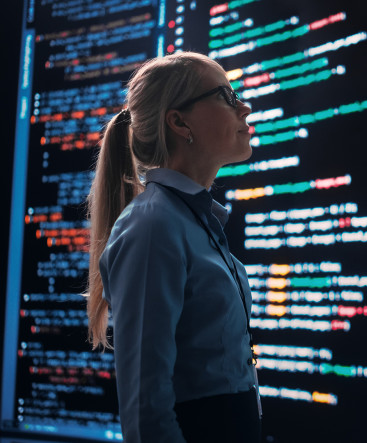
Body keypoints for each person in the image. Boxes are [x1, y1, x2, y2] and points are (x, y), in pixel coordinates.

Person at [85, 52, 261, 442]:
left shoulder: (189, 219)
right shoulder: (152, 227)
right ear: (179, 122)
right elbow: (146, 413)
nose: (245, 107)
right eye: (227, 95)